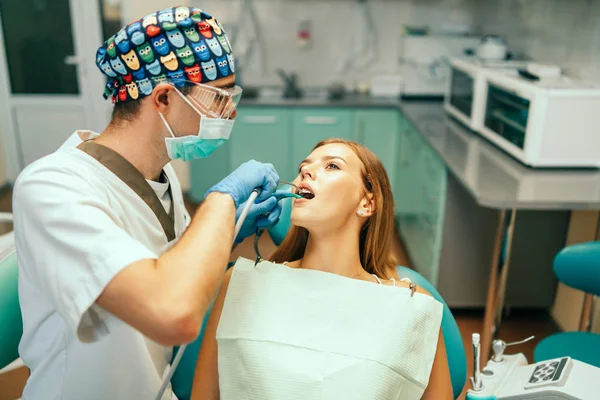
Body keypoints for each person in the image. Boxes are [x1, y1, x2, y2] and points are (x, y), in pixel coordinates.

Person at [13, 6, 282, 400]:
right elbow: (173, 311)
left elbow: (172, 261)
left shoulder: (159, 172)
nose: (231, 110)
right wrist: (222, 204)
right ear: (163, 99)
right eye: (219, 96)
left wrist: (226, 232)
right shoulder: (54, 187)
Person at [192, 138, 453, 400]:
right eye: (304, 166)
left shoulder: (411, 307)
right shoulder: (243, 284)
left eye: (332, 166)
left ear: (367, 203)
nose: (306, 170)